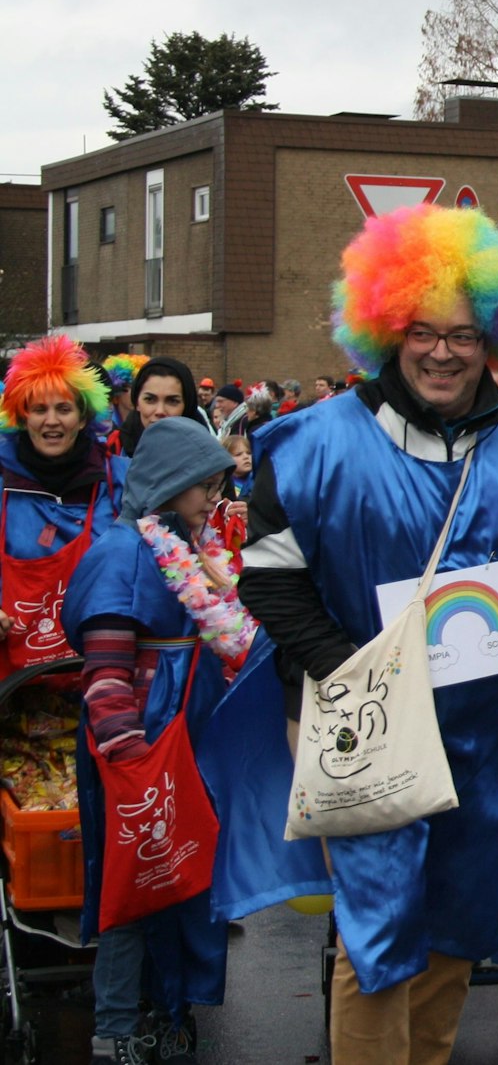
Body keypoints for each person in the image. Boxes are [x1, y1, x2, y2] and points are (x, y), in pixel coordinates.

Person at [237, 203, 498, 1065]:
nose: (443, 352)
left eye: (465, 335)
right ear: (387, 329)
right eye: (424, 331)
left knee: (460, 919)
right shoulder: (314, 443)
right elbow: (269, 581)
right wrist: (343, 674)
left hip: (493, 726)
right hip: (369, 725)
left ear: (496, 338)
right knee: (375, 928)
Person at [63, 416, 249, 1063]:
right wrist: (129, 758)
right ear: (173, 483)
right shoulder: (122, 554)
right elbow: (106, 671)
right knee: (134, 888)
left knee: (181, 879)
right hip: (143, 755)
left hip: (184, 741)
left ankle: (169, 1008)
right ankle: (115, 1026)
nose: (213, 497)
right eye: (205, 484)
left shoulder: (184, 543)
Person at [0, 335, 126, 679]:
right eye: (39, 410)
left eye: (64, 409)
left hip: (101, 676)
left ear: (84, 418)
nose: (51, 421)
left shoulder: (121, 482)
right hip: (12, 684)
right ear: (22, 418)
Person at [115, 357, 209, 457]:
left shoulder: (209, 456)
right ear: (137, 403)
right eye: (150, 399)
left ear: (187, 406)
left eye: (172, 401)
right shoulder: (114, 448)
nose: (160, 411)